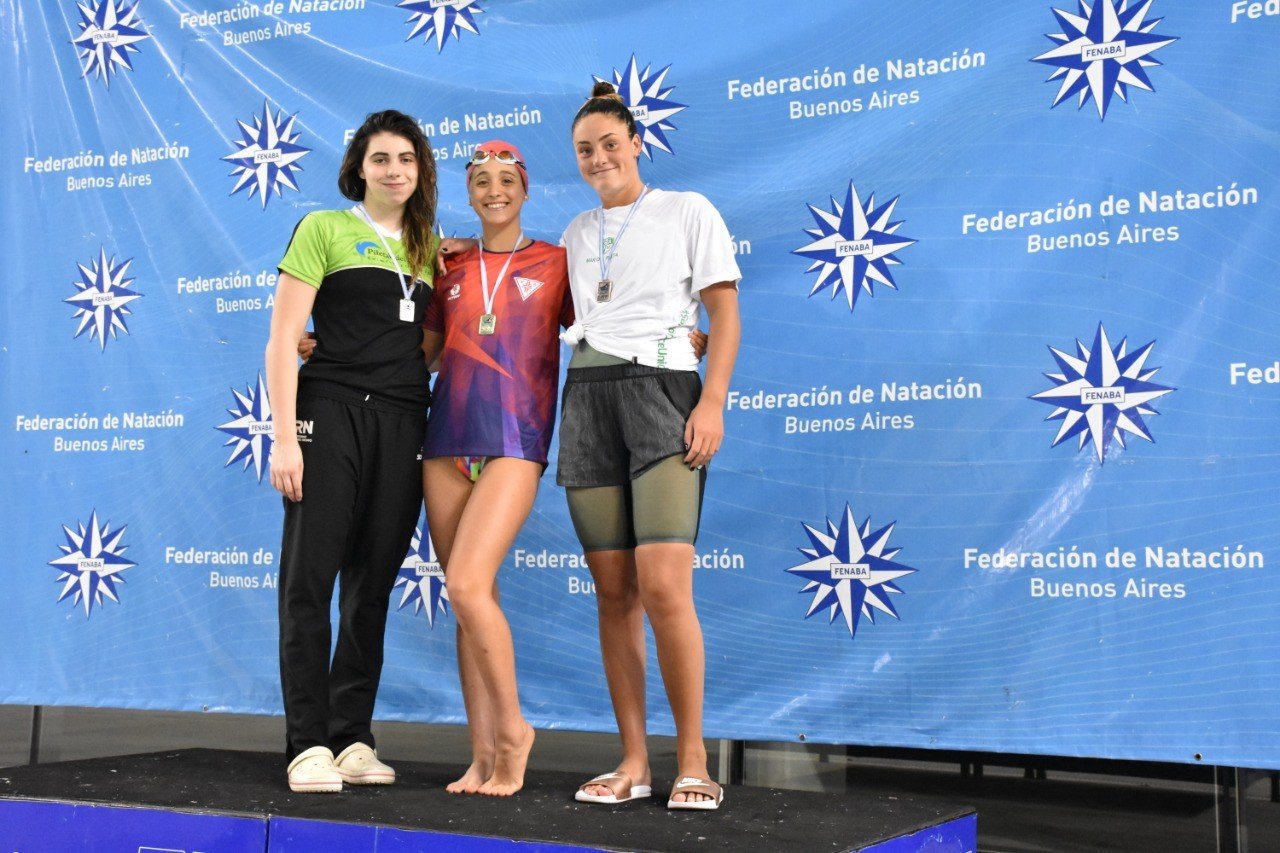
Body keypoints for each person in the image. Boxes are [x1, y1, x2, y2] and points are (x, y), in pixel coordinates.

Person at [561, 82, 742, 810]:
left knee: (665, 586)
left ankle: (692, 760)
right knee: (614, 592)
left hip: (664, 396)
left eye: (610, 143)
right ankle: (633, 761)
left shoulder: (688, 209)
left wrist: (713, 399)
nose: (599, 157)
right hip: (586, 401)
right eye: (584, 150)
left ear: (638, 143)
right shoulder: (576, 233)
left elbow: (724, 313)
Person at [265, 109, 438, 794]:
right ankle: (306, 743)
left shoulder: (429, 249)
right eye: (380, 158)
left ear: (420, 170)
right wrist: (285, 434)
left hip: (404, 422)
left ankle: (352, 737)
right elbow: (284, 339)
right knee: (309, 582)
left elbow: (432, 343)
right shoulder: (324, 228)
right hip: (328, 413)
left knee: (371, 586)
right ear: (358, 168)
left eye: (405, 158)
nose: (393, 169)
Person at [419, 141, 569, 797]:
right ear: (470, 192)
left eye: (507, 180)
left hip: (516, 438)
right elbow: (421, 354)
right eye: (481, 182)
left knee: (467, 582)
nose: (494, 191)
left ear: (526, 189)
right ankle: (480, 754)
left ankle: (514, 731)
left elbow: (611, 318)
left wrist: (681, 331)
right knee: (468, 604)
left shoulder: (557, 261)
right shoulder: (446, 266)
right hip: (447, 438)